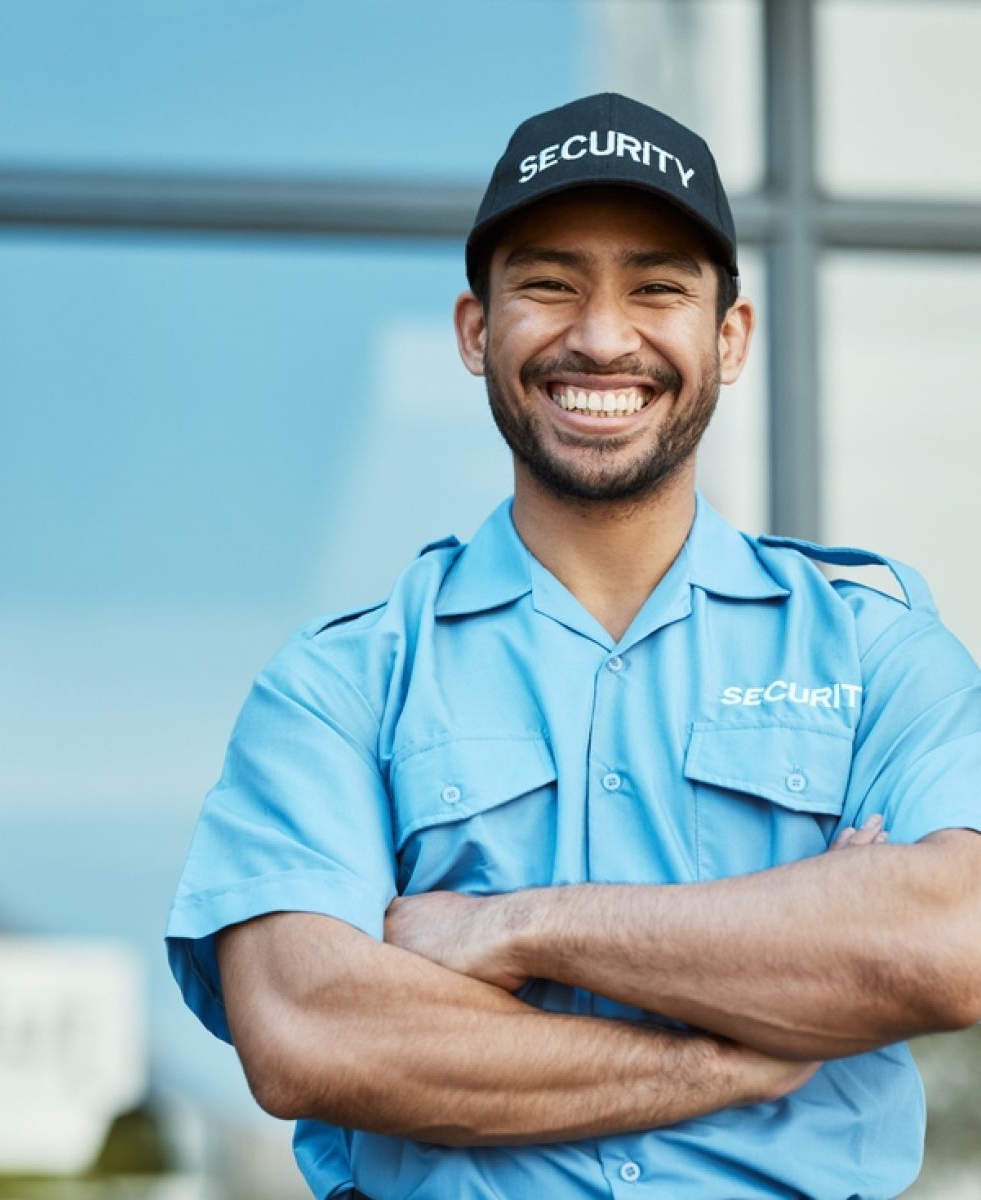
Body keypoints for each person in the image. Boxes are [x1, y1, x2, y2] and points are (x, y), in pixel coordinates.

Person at [165, 93, 981, 1199]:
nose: (602, 337)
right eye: (549, 285)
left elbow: (951, 940)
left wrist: (515, 929)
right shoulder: (340, 685)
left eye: (657, 288)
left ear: (728, 338)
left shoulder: (875, 651)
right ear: (476, 331)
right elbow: (312, 1030)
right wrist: (738, 1053)